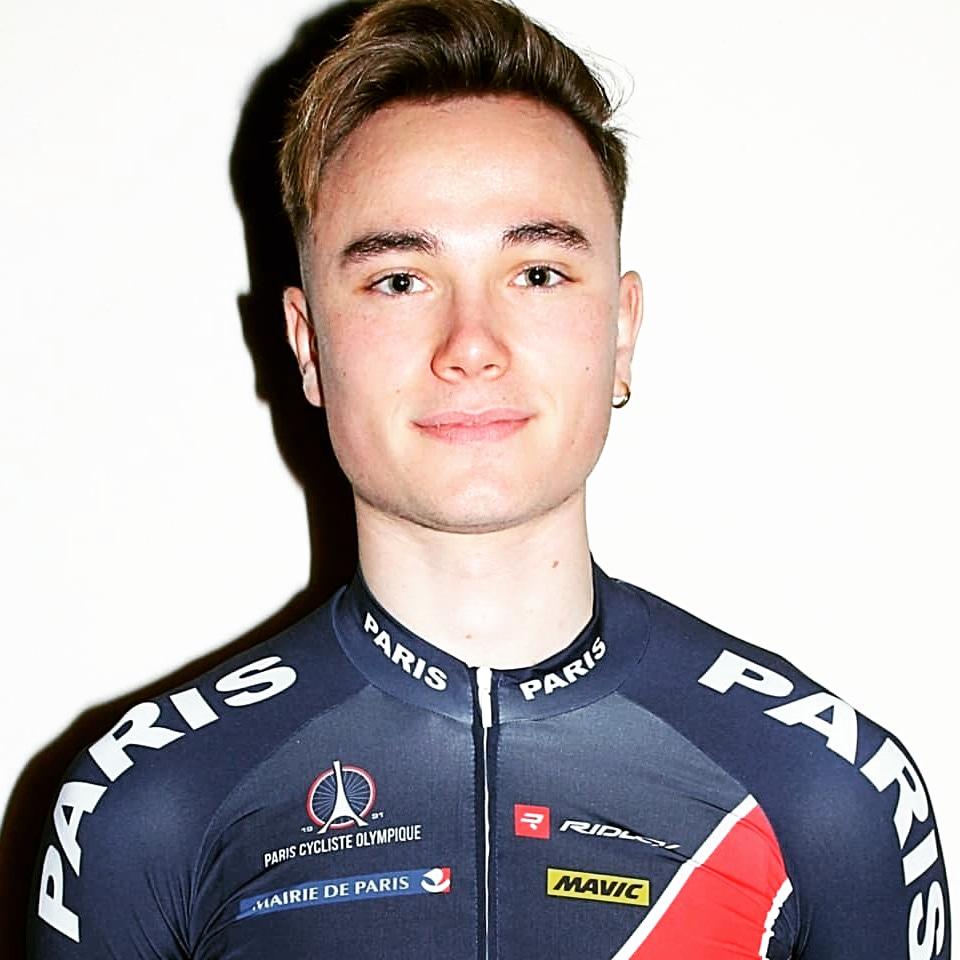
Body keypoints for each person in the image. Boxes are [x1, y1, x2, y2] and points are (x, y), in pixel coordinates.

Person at [27, 0, 950, 957]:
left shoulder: (827, 794)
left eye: (538, 273)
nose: (470, 345)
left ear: (621, 330)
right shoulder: (149, 806)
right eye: (399, 281)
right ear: (307, 344)